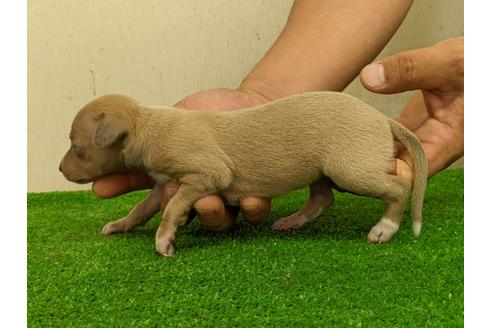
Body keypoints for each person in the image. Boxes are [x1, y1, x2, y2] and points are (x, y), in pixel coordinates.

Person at [92, 0, 464, 230]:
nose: (70, 164)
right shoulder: (162, 142)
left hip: (339, 125)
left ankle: (393, 208)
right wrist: (261, 96)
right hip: (309, 119)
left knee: (351, 172)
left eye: (80, 149)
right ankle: (319, 200)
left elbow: (212, 174)